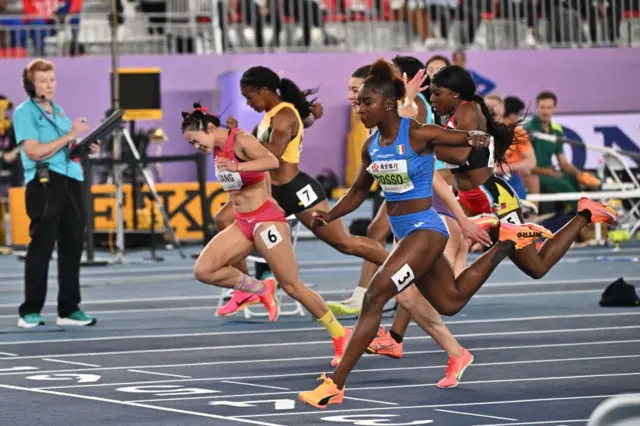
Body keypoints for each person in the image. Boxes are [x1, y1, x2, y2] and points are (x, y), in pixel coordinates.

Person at [298, 59, 556, 408]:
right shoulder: (371, 145)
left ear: (387, 104)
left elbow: (462, 138)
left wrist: (478, 137)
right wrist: (329, 214)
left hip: (426, 230)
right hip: (408, 235)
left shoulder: (417, 133)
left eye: (366, 102)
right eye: (358, 103)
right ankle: (506, 244)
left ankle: (336, 384)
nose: (359, 109)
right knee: (450, 301)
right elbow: (358, 192)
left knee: (375, 297)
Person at [182, 103, 352, 366]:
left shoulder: (242, 140)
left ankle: (341, 334)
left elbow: (272, 161)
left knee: (293, 286)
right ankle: (258, 288)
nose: (196, 147)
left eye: (196, 140)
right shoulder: (218, 147)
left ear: (211, 128)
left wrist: (238, 167)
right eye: (192, 144)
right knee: (204, 270)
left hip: (266, 221)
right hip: (243, 223)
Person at [214, 66, 390, 317]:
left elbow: (272, 155)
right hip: (268, 192)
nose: (248, 103)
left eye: (249, 97)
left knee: (345, 243)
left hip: (296, 190)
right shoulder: (272, 114)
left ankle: (399, 264)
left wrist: (234, 138)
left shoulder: (284, 116)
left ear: (263, 91)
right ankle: (248, 287)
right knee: (224, 220)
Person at [428, 66, 616, 280]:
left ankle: (585, 214)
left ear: (455, 93)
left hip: (492, 199)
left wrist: (424, 143)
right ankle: (438, 293)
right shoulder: (454, 115)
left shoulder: (468, 110)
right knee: (439, 235)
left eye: (437, 93)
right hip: (468, 197)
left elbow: (461, 155)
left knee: (537, 268)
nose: (432, 99)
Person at [13, 58, 99, 328]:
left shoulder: (58, 111)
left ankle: (69, 308)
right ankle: (29, 310)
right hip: (44, 182)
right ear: (30, 84)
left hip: (72, 179)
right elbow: (34, 151)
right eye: (42, 80)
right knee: (41, 246)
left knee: (73, 245)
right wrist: (71, 134)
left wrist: (83, 146)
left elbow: (64, 148)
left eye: (51, 80)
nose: (49, 85)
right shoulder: (24, 112)